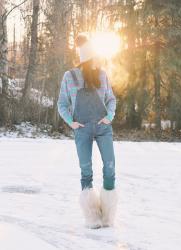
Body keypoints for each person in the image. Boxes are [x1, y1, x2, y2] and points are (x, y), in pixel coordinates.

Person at [57, 34, 118, 229]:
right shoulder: (70, 77)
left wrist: (109, 117)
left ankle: (107, 215)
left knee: (110, 168)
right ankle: (92, 216)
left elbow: (111, 99)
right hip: (82, 129)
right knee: (86, 171)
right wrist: (71, 122)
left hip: (103, 128)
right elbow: (62, 104)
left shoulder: (102, 75)